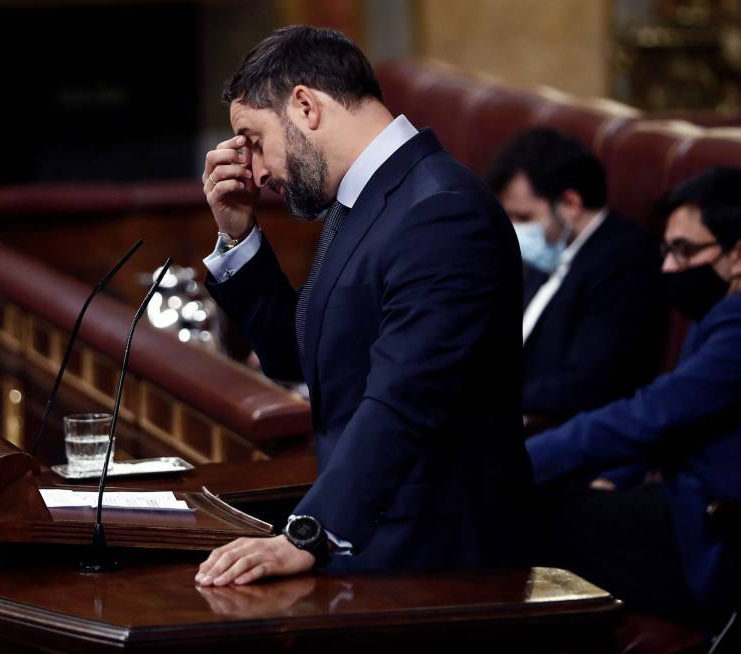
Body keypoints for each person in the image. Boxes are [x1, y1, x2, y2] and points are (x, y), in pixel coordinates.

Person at [194, 26, 529, 587]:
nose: (254, 170)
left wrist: (309, 531)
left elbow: (406, 398)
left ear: (305, 106)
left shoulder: (440, 211)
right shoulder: (368, 200)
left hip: (438, 564)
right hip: (379, 541)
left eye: (253, 139)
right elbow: (299, 357)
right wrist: (238, 237)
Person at [525, 167, 741, 627]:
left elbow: (650, 415)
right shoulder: (734, 313)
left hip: (727, 539)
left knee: (527, 515)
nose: (667, 267)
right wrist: (616, 472)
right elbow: (681, 419)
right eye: (666, 250)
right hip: (681, 504)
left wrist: (515, 461)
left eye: (684, 251)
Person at [486, 128, 664, 425]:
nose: (514, 229)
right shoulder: (553, 248)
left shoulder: (623, 260)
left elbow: (591, 382)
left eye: (524, 217)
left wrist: (488, 398)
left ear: (570, 203)